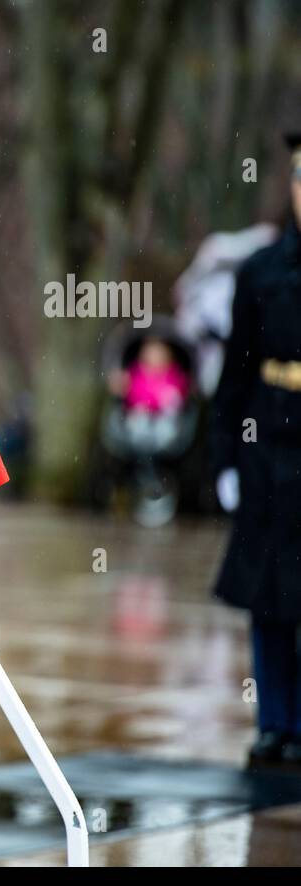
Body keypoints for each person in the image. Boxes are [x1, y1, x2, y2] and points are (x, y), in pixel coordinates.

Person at [211, 130, 301, 769]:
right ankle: (274, 723)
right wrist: (225, 459)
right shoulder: (262, 269)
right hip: (269, 437)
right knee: (269, 594)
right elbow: (236, 370)